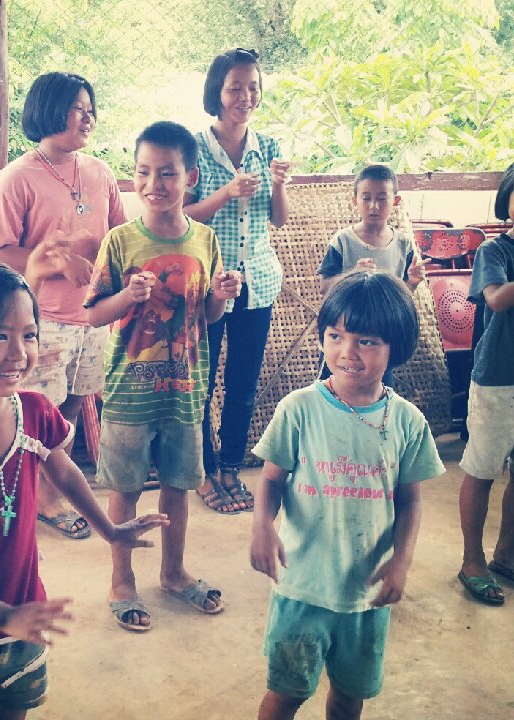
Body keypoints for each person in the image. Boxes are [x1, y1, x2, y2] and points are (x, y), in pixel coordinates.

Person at [0, 259, 167, 720]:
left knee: (12, 710)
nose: (19, 352)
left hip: (24, 619)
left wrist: (110, 530)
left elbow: (66, 474)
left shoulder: (35, 411)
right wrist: (0, 616)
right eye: (0, 335)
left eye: (30, 334)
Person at [250, 270, 445, 720]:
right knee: (286, 693)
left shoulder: (407, 422)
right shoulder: (299, 409)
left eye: (366, 341)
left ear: (396, 346)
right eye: (335, 335)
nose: (346, 352)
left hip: (365, 592)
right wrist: (261, 525)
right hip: (302, 586)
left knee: (348, 697)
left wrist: (402, 561)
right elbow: (272, 479)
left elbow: (411, 500)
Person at [84, 121, 241, 631]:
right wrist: (127, 296)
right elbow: (95, 314)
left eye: (168, 173)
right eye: (144, 172)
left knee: (177, 485)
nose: (155, 184)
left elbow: (208, 317)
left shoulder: (205, 239)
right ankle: (121, 579)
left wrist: (221, 295)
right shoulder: (119, 240)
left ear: (190, 177)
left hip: (185, 390)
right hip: (130, 390)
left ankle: (173, 573)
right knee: (125, 489)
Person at [0, 71, 127, 540]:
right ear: (48, 110)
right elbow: (0, 252)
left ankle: (51, 485)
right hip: (41, 321)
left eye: (90, 109)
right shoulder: (15, 178)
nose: (88, 118)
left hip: (94, 317)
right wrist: (56, 263)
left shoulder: (100, 172)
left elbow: (119, 237)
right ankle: (41, 498)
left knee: (72, 405)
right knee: (37, 409)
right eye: (76, 109)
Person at [183, 47, 289, 515]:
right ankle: (203, 472)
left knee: (243, 385)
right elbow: (182, 216)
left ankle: (230, 468)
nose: (245, 96)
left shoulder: (269, 147)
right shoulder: (193, 148)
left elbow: (278, 220)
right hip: (206, 284)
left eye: (253, 87)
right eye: (235, 87)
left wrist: (279, 185)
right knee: (201, 384)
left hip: (257, 283)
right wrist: (226, 192)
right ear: (217, 91)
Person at [457, 164, 514, 606]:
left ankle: (507, 555)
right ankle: (472, 561)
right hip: (498, 379)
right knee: (482, 470)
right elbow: (495, 298)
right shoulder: (494, 251)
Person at [317, 163, 430, 386]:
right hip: (345, 332)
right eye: (366, 198)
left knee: (378, 390)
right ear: (355, 200)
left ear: (395, 201)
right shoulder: (343, 241)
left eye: (382, 198)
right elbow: (324, 287)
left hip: (380, 338)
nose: (373, 206)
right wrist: (353, 275)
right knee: (333, 390)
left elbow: (399, 298)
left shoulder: (404, 244)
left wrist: (411, 283)